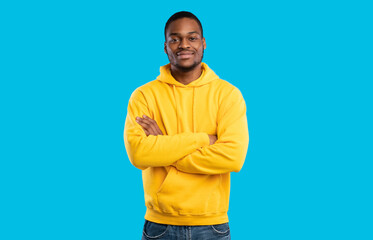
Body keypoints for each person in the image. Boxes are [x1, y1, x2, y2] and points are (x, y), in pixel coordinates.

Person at [124, 11, 249, 240]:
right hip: (160, 225)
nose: (184, 45)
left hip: (212, 225)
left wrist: (163, 147)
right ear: (165, 46)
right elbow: (140, 154)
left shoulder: (228, 95)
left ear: (203, 43)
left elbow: (233, 157)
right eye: (175, 39)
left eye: (191, 38)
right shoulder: (144, 96)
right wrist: (203, 139)